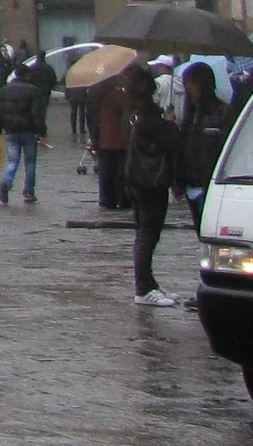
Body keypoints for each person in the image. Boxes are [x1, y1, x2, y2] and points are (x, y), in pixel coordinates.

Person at [123, 66, 184, 308]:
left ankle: (149, 283)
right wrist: (170, 123)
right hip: (150, 182)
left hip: (134, 180)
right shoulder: (149, 119)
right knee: (148, 234)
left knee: (144, 232)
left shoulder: (132, 114)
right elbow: (169, 142)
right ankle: (144, 288)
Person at [177, 62, 234, 232]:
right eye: (186, 84)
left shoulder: (223, 112)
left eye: (192, 84)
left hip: (210, 183)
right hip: (191, 183)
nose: (189, 89)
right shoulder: (189, 115)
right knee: (200, 229)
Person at [0, 58, 45, 206]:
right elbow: (37, 114)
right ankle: (28, 191)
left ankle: (6, 183)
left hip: (10, 132)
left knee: (13, 161)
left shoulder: (3, 91)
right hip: (28, 131)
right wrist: (42, 132)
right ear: (26, 75)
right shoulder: (33, 91)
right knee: (30, 162)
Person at [88, 74, 131, 211]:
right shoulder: (117, 95)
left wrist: (94, 139)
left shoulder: (94, 96)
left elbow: (91, 118)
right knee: (120, 172)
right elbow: (126, 114)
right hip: (118, 140)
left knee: (105, 171)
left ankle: (106, 198)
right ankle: (121, 198)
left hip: (103, 140)